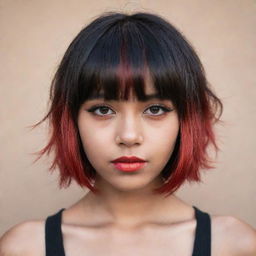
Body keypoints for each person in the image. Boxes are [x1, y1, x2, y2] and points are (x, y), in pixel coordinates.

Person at [0, 11, 255, 256]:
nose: (129, 136)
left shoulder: (235, 246)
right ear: (71, 119)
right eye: (103, 110)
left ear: (186, 118)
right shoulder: (25, 249)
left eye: (155, 109)